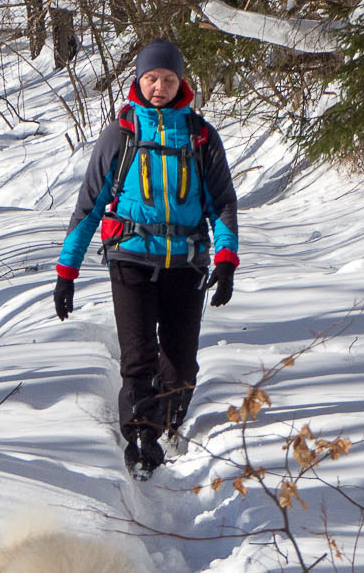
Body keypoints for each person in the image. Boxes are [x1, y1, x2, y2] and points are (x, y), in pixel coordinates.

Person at [51, 38, 239, 479]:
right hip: (130, 257)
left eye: (168, 79)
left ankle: (170, 421)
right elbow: (89, 206)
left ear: (182, 82)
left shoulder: (201, 136)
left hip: (187, 262)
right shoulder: (121, 134)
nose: (159, 86)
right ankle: (140, 442)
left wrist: (226, 258)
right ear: (138, 78)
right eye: (151, 78)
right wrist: (66, 271)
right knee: (138, 359)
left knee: (180, 362)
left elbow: (222, 204)